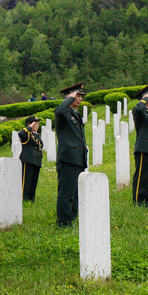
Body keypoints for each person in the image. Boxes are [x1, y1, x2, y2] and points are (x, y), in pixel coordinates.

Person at [55, 83, 88, 227]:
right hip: (68, 158)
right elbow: (60, 110)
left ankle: (71, 219)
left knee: (75, 193)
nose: (80, 99)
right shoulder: (63, 112)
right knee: (66, 192)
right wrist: (69, 98)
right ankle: (63, 222)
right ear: (69, 96)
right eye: (77, 96)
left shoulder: (75, 113)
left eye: (81, 96)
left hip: (77, 157)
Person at [18, 116, 44, 202]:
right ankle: (24, 198)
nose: (37, 125)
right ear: (29, 124)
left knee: (34, 181)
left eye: (38, 123)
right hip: (28, 159)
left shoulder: (36, 135)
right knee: (26, 181)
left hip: (36, 160)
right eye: (35, 123)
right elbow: (21, 133)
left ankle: (31, 199)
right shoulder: (27, 134)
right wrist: (29, 128)